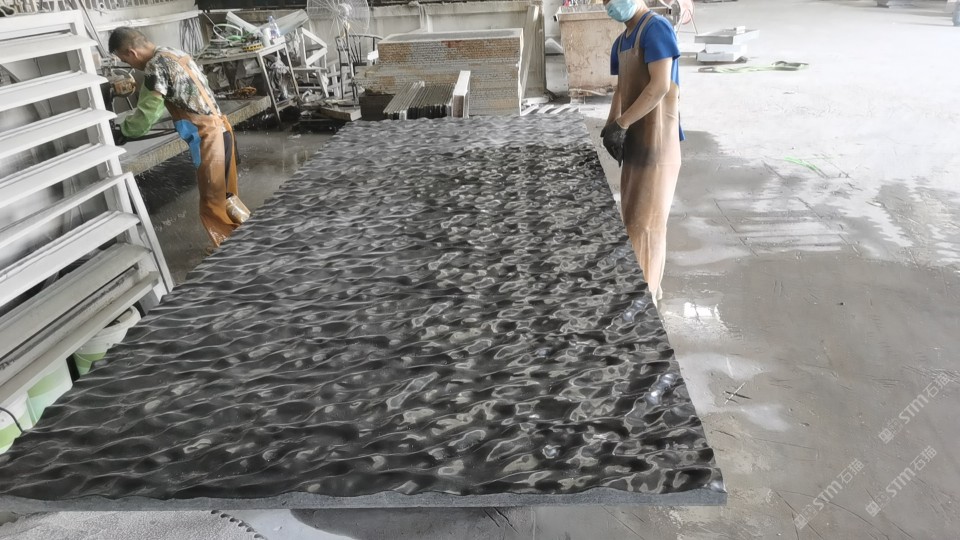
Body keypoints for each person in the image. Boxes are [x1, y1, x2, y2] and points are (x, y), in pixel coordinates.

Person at [109, 27, 244, 248]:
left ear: (131, 53)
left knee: (213, 203)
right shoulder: (174, 53)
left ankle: (229, 252)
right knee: (227, 196)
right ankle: (245, 240)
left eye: (126, 60)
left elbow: (148, 114)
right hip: (223, 130)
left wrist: (124, 131)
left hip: (209, 139)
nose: (130, 65)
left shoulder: (155, 67)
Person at [600, 0, 683, 306]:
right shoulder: (622, 41)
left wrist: (622, 123)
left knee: (648, 225)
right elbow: (621, 89)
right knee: (634, 221)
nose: (609, 3)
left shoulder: (656, 29)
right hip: (635, 142)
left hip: (658, 144)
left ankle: (644, 304)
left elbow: (659, 86)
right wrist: (611, 124)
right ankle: (646, 290)